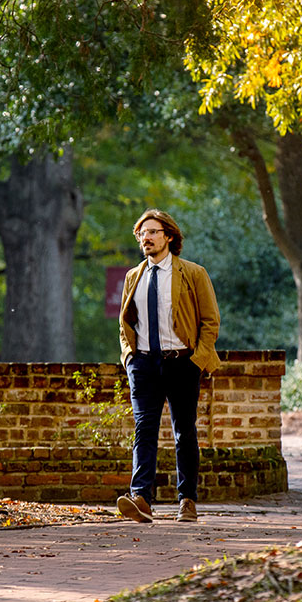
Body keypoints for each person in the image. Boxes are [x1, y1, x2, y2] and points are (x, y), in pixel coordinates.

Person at [117, 208, 221, 523]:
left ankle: (187, 500)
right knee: (144, 430)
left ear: (169, 236)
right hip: (144, 365)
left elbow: (210, 321)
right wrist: (130, 358)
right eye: (141, 234)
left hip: (182, 363)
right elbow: (125, 325)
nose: (145, 238)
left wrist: (197, 361)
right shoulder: (133, 276)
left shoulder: (193, 273)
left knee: (184, 433)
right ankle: (141, 498)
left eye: (151, 232)